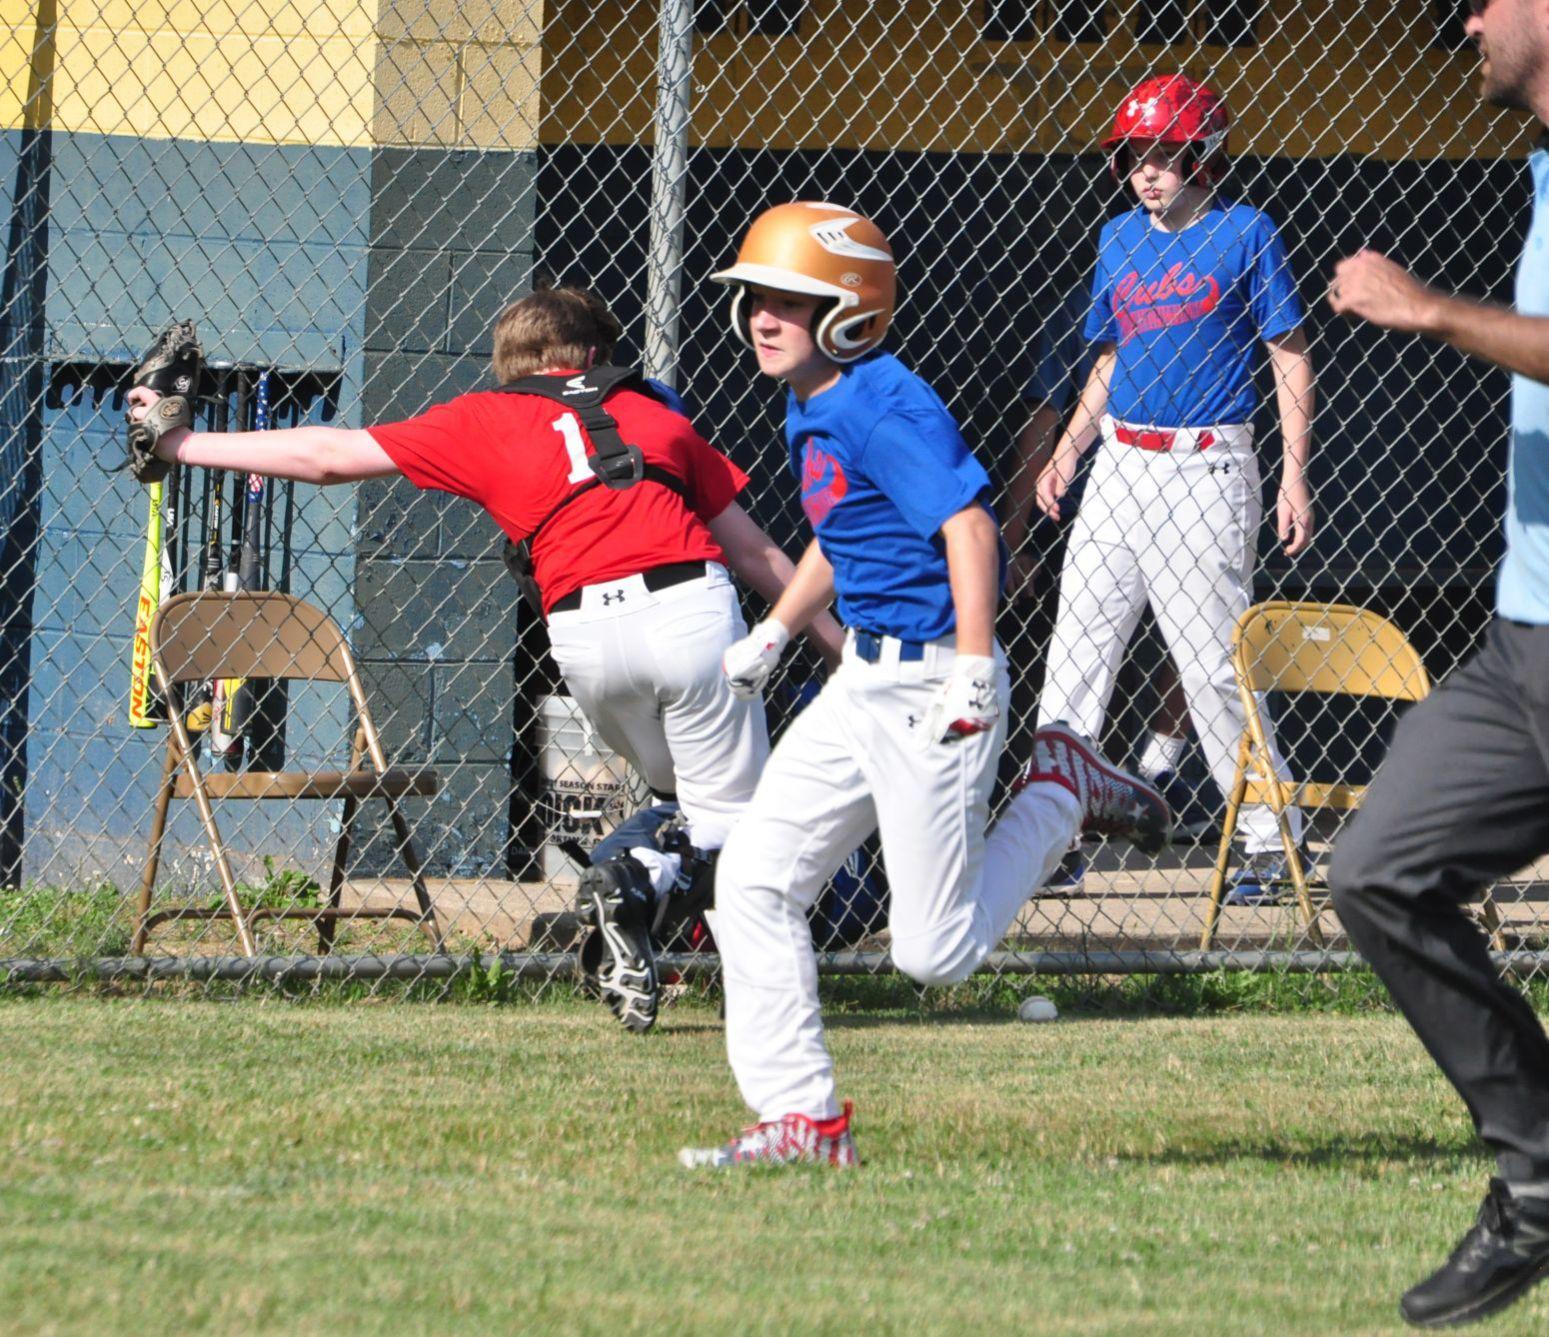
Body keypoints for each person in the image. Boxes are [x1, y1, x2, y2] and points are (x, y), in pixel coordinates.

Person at [124, 284, 843, 1033]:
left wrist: (178, 445)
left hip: (585, 636)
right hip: (692, 612)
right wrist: (843, 652)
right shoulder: (653, 413)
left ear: (508, 365)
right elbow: (758, 554)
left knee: (694, 811)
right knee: (734, 824)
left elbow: (326, 454)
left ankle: (672, 929)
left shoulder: (483, 416)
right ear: (595, 357)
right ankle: (670, 913)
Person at [674, 201, 1170, 1169]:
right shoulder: (810, 397)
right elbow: (847, 529)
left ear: (849, 310)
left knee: (932, 954)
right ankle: (801, 1119)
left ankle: (1061, 783)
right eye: (754, 301)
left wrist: (979, 667)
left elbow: (971, 529)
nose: (761, 319)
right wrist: (778, 630)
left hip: (937, 682)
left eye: (789, 300)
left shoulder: (880, 400)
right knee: (754, 881)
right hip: (863, 680)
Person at [1326, 0, 1549, 1324]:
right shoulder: (1536, 165)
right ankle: (1538, 1175)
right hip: (1520, 642)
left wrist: (1432, 313)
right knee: (1375, 870)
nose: (1462, 19)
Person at [1032, 74, 1316, 905]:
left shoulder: (1244, 231)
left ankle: (1265, 843)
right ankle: (1053, 836)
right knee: (1076, 654)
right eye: (1134, 156)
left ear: (1201, 155)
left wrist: (1293, 472)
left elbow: (1288, 355)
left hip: (1207, 463)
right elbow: (1109, 358)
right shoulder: (1118, 237)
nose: (1147, 171)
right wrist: (1065, 451)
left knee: (1213, 666)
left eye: (1165, 155)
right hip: (1119, 461)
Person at [1002, 280, 1221, 889]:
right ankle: (1060, 829)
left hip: (1196, 486)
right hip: (1087, 506)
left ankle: (1159, 771)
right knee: (1076, 654)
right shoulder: (1085, 302)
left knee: (1204, 638)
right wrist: (1016, 535)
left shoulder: (1225, 279)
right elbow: (1044, 413)